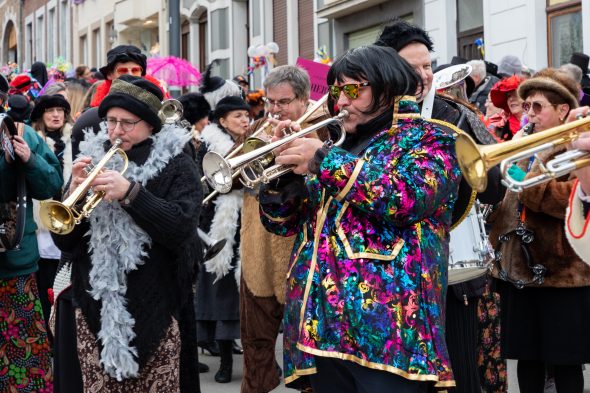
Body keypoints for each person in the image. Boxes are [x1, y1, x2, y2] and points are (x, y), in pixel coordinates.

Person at [258, 44, 460, 391]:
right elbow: (284, 224)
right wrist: (283, 177)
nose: (342, 101)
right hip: (322, 329)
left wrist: (321, 160)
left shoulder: (430, 139)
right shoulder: (339, 146)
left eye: (354, 89)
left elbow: (404, 199)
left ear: (388, 87)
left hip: (390, 334)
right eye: (337, 90)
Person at [376, 19, 505, 393]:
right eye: (412, 67)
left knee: (460, 370)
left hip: (453, 274)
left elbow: (493, 189)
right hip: (392, 275)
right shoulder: (373, 119)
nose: (424, 75)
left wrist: (460, 166)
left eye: (427, 65)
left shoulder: (457, 113)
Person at [51, 75, 202, 392]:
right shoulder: (92, 157)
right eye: (111, 121)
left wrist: (132, 193)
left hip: (159, 310)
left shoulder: (178, 163)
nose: (116, 131)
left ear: (150, 125)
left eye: (127, 123)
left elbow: (181, 227)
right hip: (95, 313)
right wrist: (72, 192)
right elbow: (65, 241)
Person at [488, 68, 590, 393]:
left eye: (538, 107)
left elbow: (571, 200)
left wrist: (528, 180)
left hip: (563, 273)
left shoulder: (578, 148)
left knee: (565, 363)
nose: (529, 115)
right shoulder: (524, 143)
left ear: (562, 111)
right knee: (527, 360)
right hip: (520, 269)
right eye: (526, 106)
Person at [240, 64, 328, 393]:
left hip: (301, 256)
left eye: (284, 102)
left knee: (307, 353)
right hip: (257, 253)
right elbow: (235, 178)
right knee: (255, 344)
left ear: (304, 100)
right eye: (271, 101)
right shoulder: (258, 131)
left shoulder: (323, 133)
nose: (275, 109)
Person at [0, 72, 63, 391]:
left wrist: (30, 159)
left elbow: (53, 184)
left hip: (13, 262)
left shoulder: (21, 134)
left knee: (22, 361)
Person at [196, 95, 249, 383]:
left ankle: (259, 361)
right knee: (222, 296)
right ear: (222, 120)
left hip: (250, 221)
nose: (244, 120)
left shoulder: (254, 140)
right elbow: (201, 184)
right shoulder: (208, 145)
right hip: (219, 227)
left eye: (246, 115)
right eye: (238, 115)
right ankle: (226, 362)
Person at [29, 94, 73, 329]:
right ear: (41, 115)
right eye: (50, 111)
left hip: (70, 221)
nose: (56, 115)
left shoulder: (75, 140)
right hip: (43, 226)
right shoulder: (32, 141)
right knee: (46, 282)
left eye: (60, 110)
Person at [489, 75, 526, 140]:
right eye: (508, 96)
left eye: (516, 94)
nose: (511, 99)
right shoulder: (500, 128)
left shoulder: (536, 123)